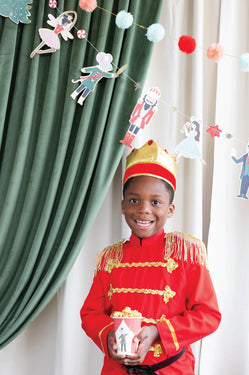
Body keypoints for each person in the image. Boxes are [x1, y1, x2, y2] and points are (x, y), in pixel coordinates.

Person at [80, 139, 221, 374]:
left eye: (155, 202)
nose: (144, 209)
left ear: (170, 209)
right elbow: (90, 314)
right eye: (134, 201)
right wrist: (109, 334)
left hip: (171, 369)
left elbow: (209, 315)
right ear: (123, 206)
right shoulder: (109, 259)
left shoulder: (187, 254)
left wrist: (158, 331)